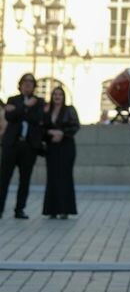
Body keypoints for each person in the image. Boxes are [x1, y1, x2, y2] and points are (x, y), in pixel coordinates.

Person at [1, 74, 46, 218]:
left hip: (29, 146)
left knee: (25, 179)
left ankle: (19, 209)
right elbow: (9, 117)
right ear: (20, 85)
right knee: (4, 178)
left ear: (34, 86)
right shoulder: (13, 99)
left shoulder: (39, 102)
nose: (27, 84)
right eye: (25, 82)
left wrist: (17, 110)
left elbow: (37, 119)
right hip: (11, 145)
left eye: (30, 82)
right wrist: (25, 106)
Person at [41, 82, 80, 218]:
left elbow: (75, 126)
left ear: (64, 97)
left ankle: (64, 210)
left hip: (66, 147)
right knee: (52, 177)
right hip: (52, 148)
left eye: (60, 94)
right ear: (52, 97)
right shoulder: (47, 111)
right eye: (55, 94)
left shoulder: (69, 110)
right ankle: (52, 210)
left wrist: (62, 133)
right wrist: (50, 133)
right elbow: (41, 128)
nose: (57, 97)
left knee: (65, 177)